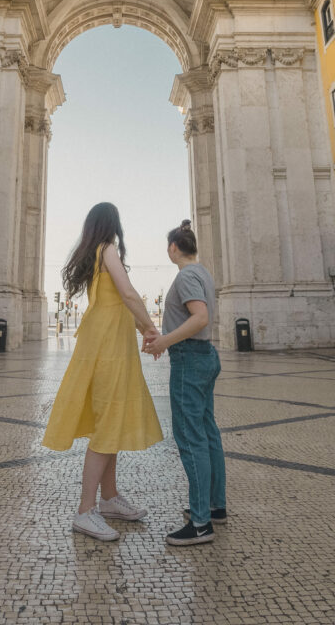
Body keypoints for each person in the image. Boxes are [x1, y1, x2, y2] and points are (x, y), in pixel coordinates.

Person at [42, 202, 163, 541]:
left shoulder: (96, 253)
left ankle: (109, 499)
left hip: (110, 345)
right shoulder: (107, 249)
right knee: (108, 423)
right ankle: (85, 510)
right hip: (109, 350)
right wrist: (153, 327)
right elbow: (127, 293)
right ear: (112, 224)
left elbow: (119, 302)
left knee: (110, 422)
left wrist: (143, 330)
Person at [143, 219, 226, 546]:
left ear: (174, 247)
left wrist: (164, 341)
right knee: (208, 434)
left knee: (191, 438)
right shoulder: (204, 272)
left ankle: (201, 524)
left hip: (190, 360)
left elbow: (200, 317)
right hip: (204, 356)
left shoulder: (187, 275)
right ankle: (215, 507)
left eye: (168, 245)